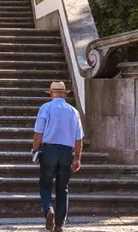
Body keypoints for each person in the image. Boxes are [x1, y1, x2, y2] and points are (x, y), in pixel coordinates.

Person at [31, 81, 83, 232]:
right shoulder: (74, 111)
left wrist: (35, 149)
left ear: (52, 93)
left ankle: (48, 210)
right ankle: (59, 224)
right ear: (65, 94)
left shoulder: (45, 108)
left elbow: (38, 133)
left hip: (49, 151)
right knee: (63, 188)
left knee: (45, 184)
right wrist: (77, 158)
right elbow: (79, 138)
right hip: (67, 152)